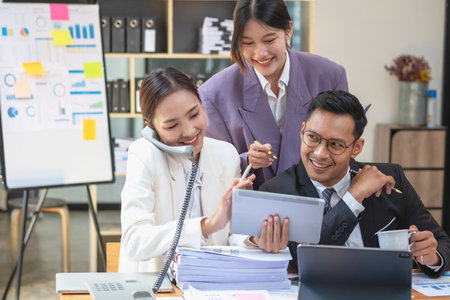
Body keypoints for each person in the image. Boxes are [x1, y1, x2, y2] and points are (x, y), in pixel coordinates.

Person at [259, 90, 450, 277]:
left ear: (356, 148)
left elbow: (443, 244)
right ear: (302, 132)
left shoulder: (392, 178)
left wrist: (431, 256)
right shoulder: (277, 192)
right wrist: (353, 197)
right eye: (313, 137)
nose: (320, 153)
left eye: (335, 144)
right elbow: (307, 263)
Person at [199, 0, 348, 188]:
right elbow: (211, 167)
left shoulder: (330, 76)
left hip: (319, 204)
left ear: (288, 30)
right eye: (247, 43)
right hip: (250, 207)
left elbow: (343, 147)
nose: (260, 53)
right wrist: (246, 160)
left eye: (269, 40)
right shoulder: (214, 94)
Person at [118, 67, 254, 272]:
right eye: (172, 126)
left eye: (194, 114)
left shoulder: (226, 154)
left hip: (212, 282)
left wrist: (254, 238)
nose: (190, 131)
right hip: (157, 286)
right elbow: (134, 240)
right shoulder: (143, 154)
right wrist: (206, 225)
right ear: (150, 127)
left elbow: (233, 233)